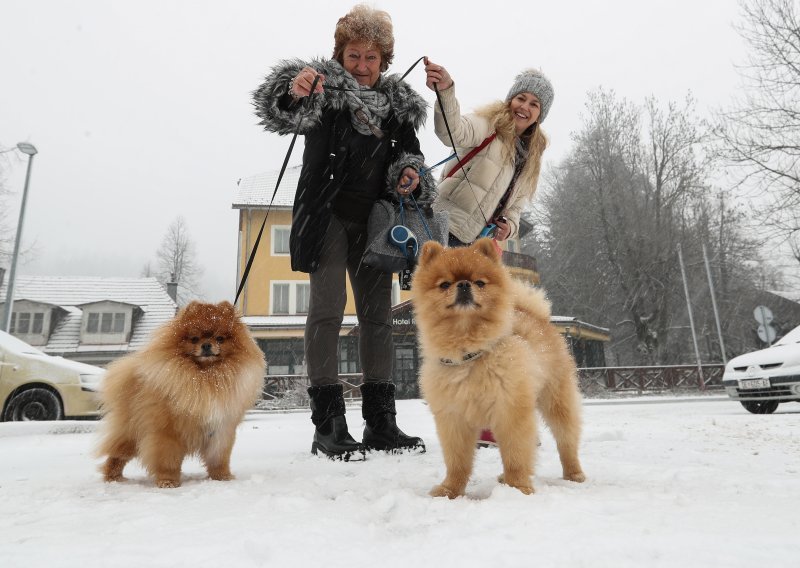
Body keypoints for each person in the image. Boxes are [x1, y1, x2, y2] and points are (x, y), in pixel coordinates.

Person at [252, 5, 430, 460]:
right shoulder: (324, 91)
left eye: (372, 57)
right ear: (341, 54)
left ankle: (381, 423)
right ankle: (328, 424)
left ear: (384, 60)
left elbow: (410, 157)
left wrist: (408, 173)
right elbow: (287, 111)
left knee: (378, 319)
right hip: (327, 217)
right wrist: (294, 91)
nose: (362, 66)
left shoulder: (398, 107)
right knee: (328, 310)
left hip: (373, 225)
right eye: (354, 55)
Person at [424, 59, 554, 447]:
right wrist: (446, 91)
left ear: (540, 115)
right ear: (511, 98)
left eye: (534, 104)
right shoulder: (489, 125)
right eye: (521, 97)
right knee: (456, 330)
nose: (525, 107)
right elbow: (453, 132)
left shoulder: (531, 156)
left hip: (483, 245)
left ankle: (497, 419)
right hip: (449, 233)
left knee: (493, 330)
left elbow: (516, 209)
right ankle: (462, 418)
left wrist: (508, 226)